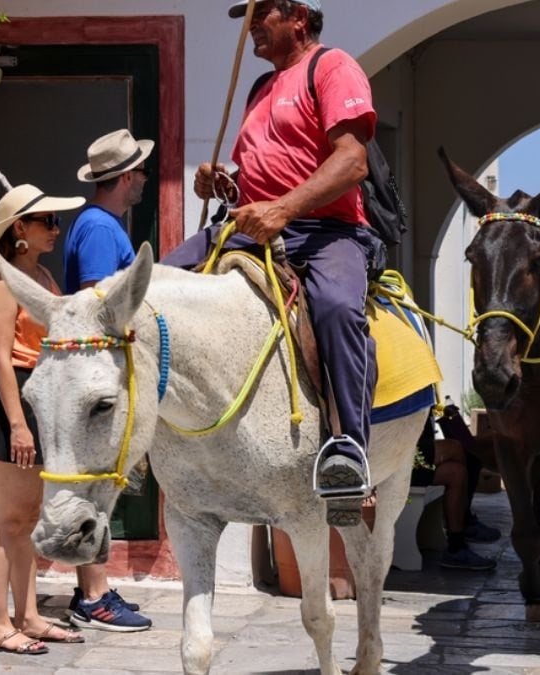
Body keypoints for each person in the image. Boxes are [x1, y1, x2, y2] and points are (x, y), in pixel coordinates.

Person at [162, 0, 383, 523]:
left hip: (328, 231)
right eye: (248, 16)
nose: (252, 26)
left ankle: (349, 448)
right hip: (251, 226)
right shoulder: (260, 88)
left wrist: (283, 209)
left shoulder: (332, 67)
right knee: (159, 285)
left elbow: (352, 161)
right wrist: (227, 183)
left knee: (335, 308)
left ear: (299, 17)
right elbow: (269, 172)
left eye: (263, 14)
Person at [0, 184, 86, 654]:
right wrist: (18, 424)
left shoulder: (42, 277)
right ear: (20, 228)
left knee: (28, 519)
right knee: (8, 520)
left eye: (56, 222)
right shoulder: (2, 284)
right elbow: (0, 359)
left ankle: (28, 615)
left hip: (40, 403)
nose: (56, 230)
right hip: (12, 407)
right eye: (47, 222)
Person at [60, 129, 155, 632]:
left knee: (100, 484)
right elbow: (98, 301)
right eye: (138, 170)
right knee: (93, 486)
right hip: (99, 374)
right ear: (122, 177)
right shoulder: (99, 229)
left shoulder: (101, 224)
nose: (144, 177)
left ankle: (93, 588)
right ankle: (92, 597)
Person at [412, 416, 498, 570]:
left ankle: (456, 547)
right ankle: (465, 522)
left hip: (415, 456)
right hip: (404, 455)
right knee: (456, 448)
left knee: (456, 473)